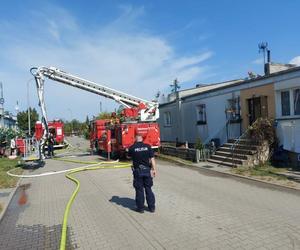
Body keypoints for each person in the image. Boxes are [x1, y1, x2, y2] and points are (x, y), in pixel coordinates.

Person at [128, 134, 157, 213]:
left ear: (135, 139)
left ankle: (140, 208)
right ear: (142, 139)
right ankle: (152, 208)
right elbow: (152, 159)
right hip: (147, 171)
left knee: (139, 190)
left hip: (137, 171)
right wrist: (154, 170)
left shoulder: (132, 148)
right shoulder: (148, 146)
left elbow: (129, 157)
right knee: (148, 189)